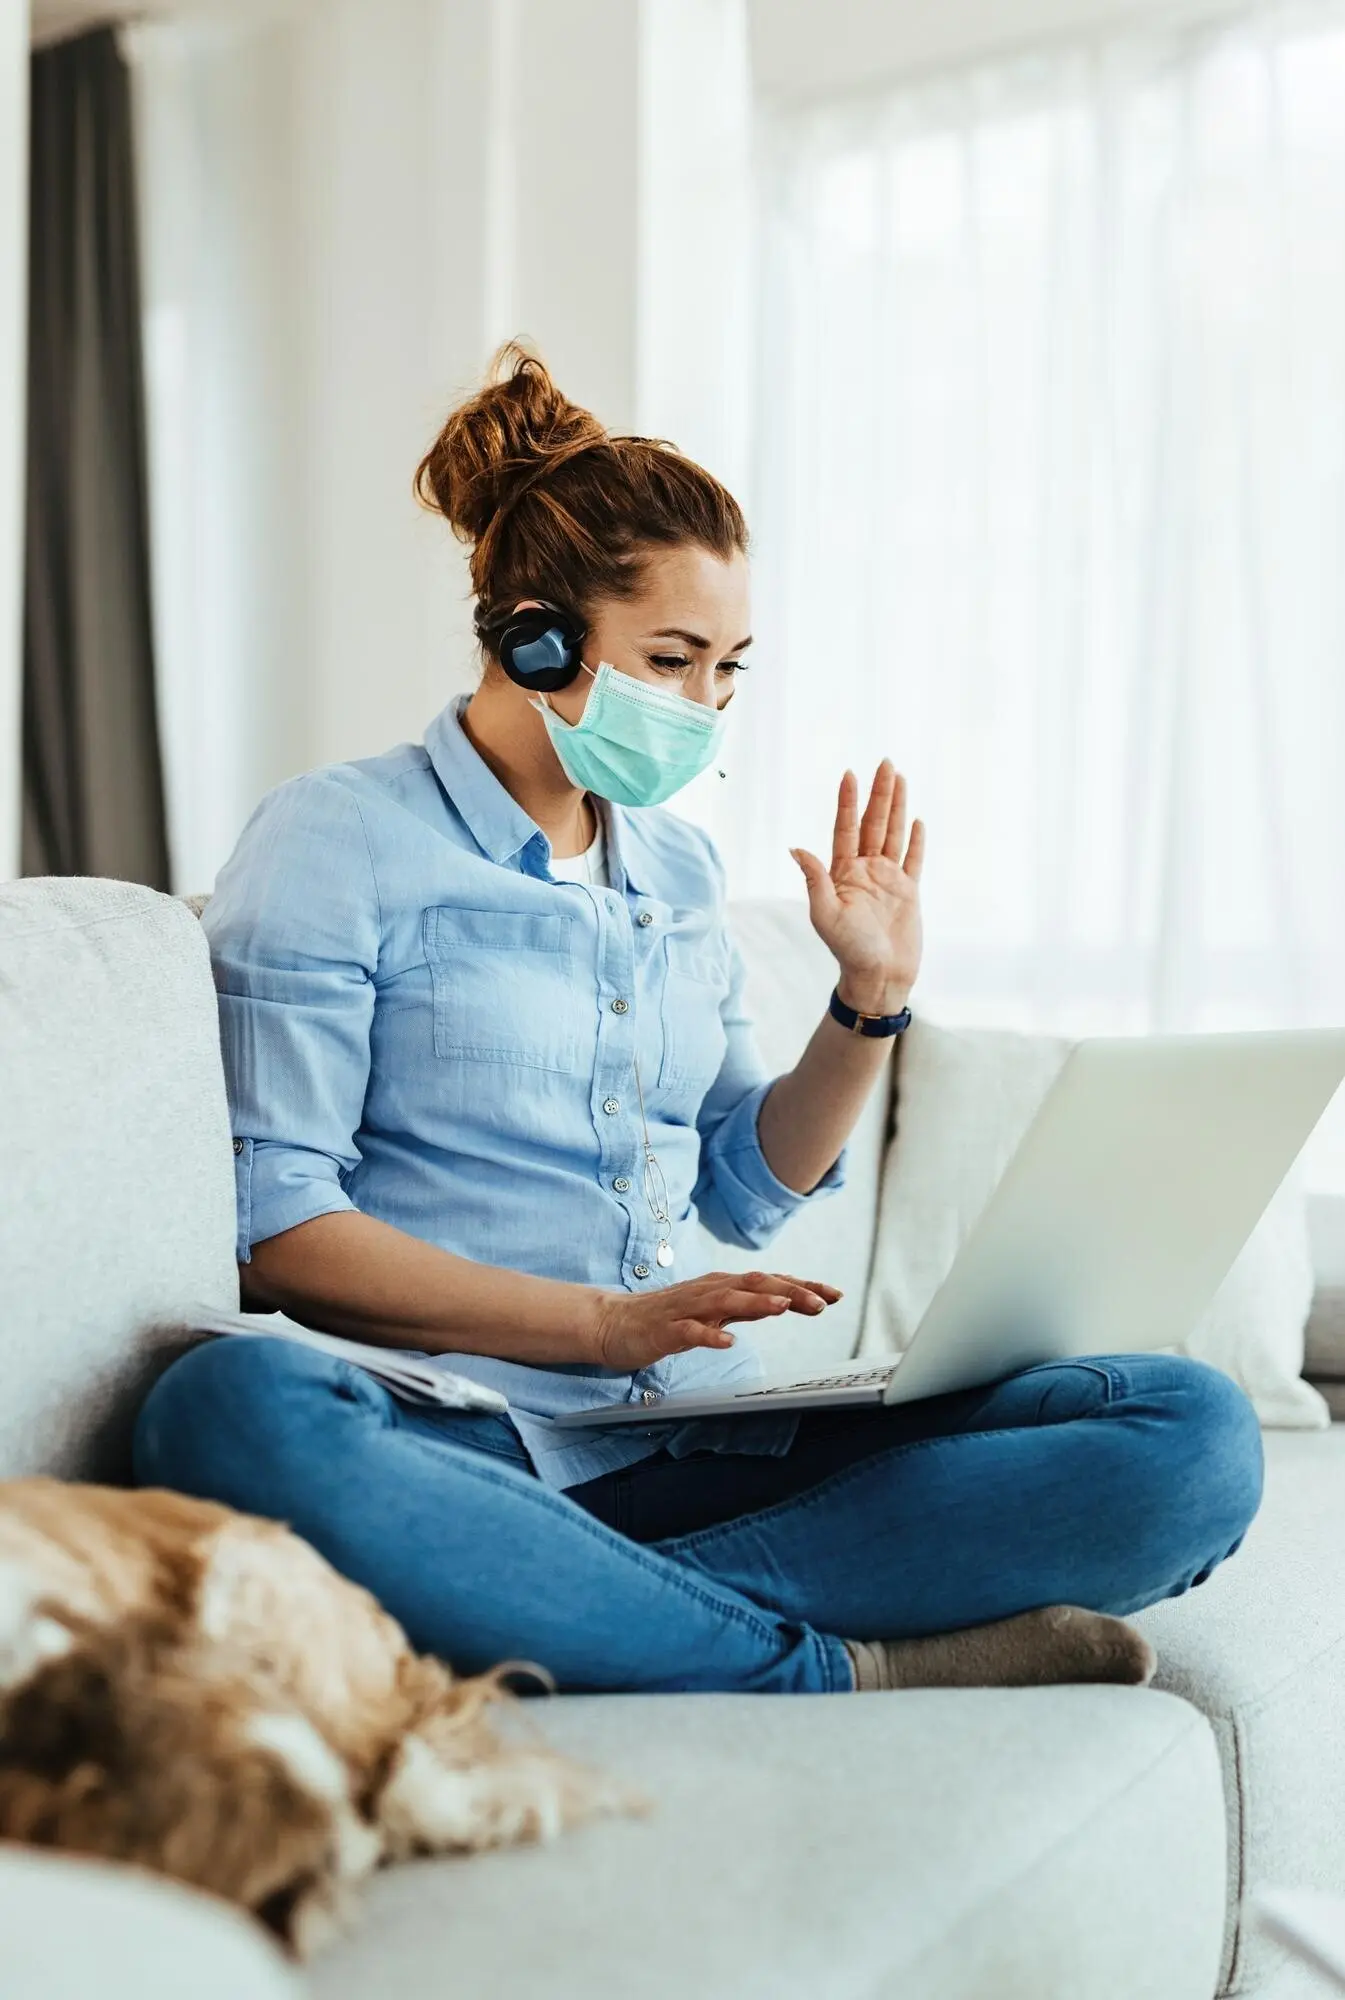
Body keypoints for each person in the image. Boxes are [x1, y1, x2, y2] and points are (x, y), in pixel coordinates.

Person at [135, 345, 1264, 1696]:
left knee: (1187, 1428)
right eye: (672, 661)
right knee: (226, 1416)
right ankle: (825, 1663)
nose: (707, 710)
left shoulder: (675, 871)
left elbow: (743, 1183)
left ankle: (595, 1613)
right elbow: (281, 1229)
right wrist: (600, 1327)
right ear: (534, 634)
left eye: (730, 669)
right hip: (461, 1444)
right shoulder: (337, 839)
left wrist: (869, 1001)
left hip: (693, 1447)